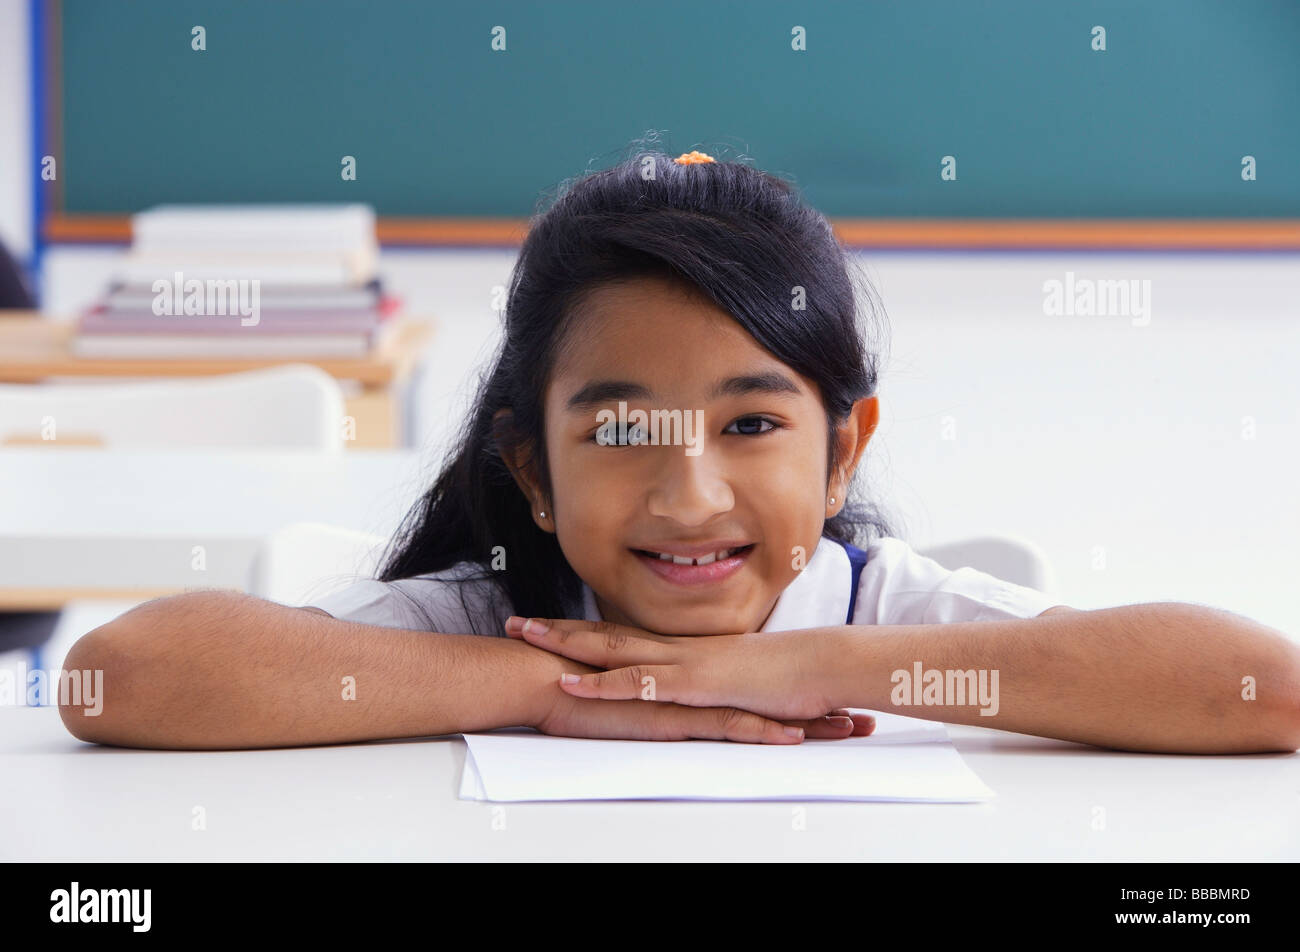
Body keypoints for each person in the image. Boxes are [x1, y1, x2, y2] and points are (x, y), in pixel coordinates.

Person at [58, 147, 1300, 754]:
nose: (688, 491)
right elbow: (120, 679)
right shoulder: (499, 624)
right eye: (618, 430)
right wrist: (577, 686)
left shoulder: (882, 610)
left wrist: (802, 667)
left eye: (752, 424)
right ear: (531, 469)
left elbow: (1262, 688)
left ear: (842, 452)